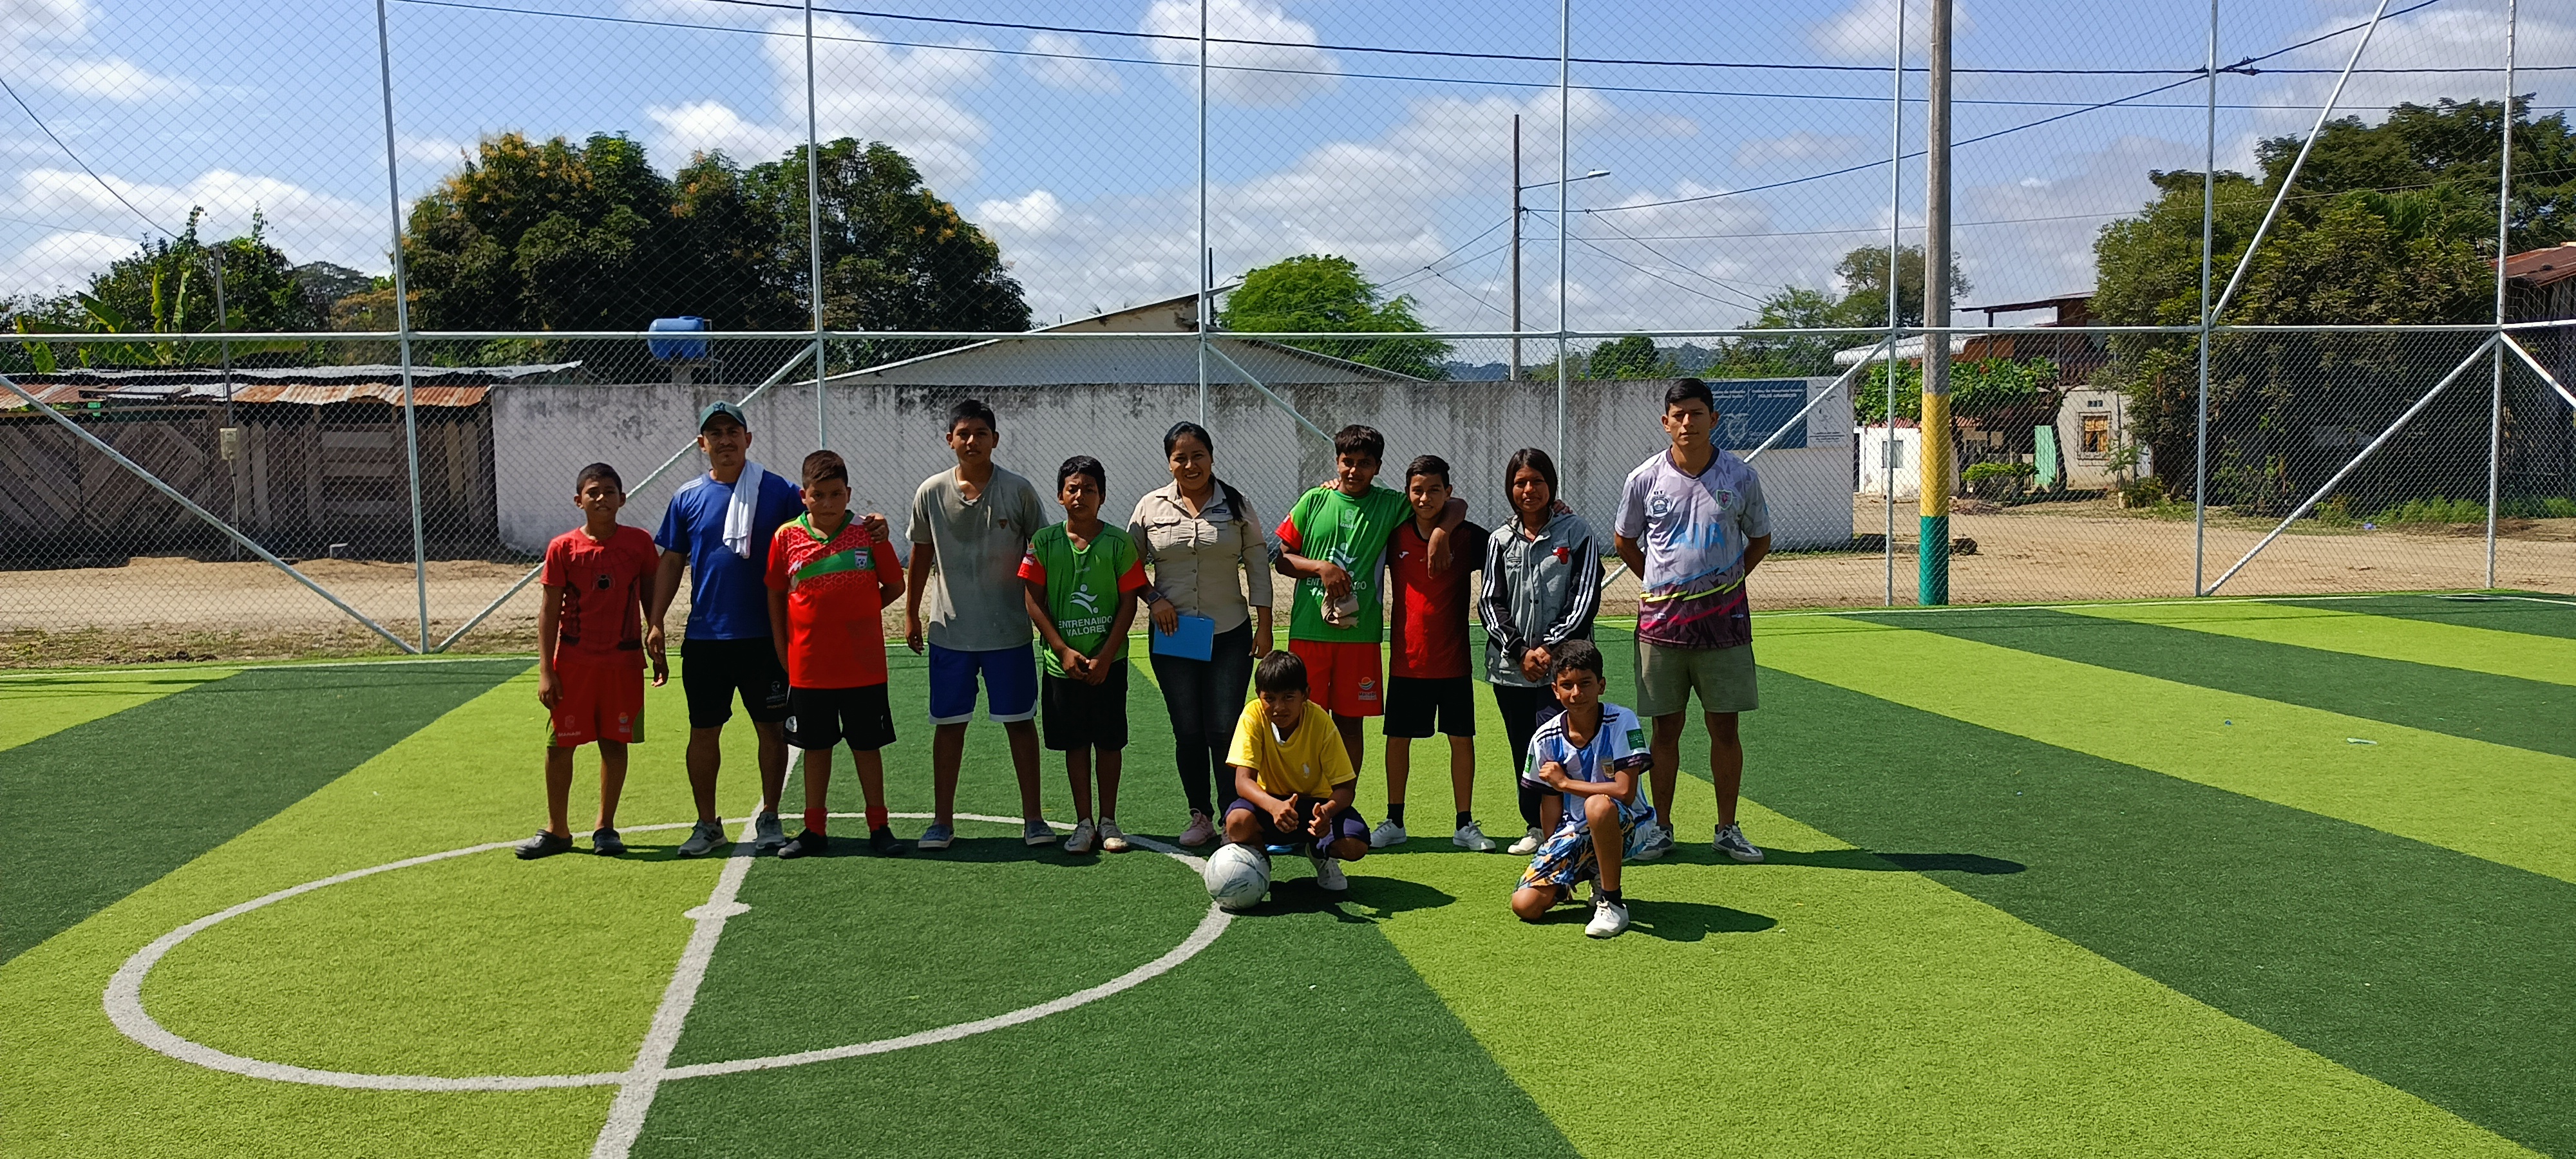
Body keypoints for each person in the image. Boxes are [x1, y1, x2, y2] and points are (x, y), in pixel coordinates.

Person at [1614, 378, 1772, 863]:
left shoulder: (1740, 477)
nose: (1687, 423)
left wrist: (1725, 585)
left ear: (1713, 419)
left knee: (1725, 729)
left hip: (1725, 626)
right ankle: (1661, 829)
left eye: (1696, 413)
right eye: (1678, 415)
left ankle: (1727, 829)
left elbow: (1760, 539)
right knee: (1665, 731)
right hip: (1661, 628)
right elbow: (1624, 541)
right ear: (1666, 422)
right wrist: (1661, 586)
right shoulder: (1644, 478)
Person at [648, 402, 804, 857]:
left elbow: (819, 520)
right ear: (702, 444)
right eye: (715, 433)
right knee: (703, 732)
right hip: (706, 640)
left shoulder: (777, 490)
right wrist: (655, 621)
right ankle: (707, 823)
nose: (725, 440)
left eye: (732, 432)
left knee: (771, 731)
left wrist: (868, 525)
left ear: (747, 439)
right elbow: (672, 560)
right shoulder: (687, 497)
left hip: (765, 637)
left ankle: (771, 816)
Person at [1274, 424, 1463, 777]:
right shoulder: (1314, 500)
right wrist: (1321, 568)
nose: (1354, 471)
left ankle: (1343, 799)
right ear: (1337, 461)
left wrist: (1441, 532)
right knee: (1304, 722)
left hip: (1360, 637)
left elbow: (1453, 504)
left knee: (1350, 726)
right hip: (1309, 631)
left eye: (1364, 463)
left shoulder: (1391, 504)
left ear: (1377, 467)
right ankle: (1304, 794)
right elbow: (1282, 559)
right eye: (1348, 462)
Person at [905, 397, 1052, 851]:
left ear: (995, 440)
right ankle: (942, 822)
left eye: (981, 433)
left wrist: (1046, 618)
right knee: (949, 726)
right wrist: (910, 613)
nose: (972, 441)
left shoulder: (1019, 490)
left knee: (1020, 723)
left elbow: (1041, 552)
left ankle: (1034, 819)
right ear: (949, 440)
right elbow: (921, 555)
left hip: (1009, 633)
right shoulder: (931, 491)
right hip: (951, 633)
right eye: (963, 434)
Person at [1131, 421, 1273, 847]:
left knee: (1225, 729)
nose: (1190, 465)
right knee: (1188, 729)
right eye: (1181, 458)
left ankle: (1234, 816)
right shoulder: (1150, 507)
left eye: (1198, 456)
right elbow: (1128, 564)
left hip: (1229, 633)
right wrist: (1153, 598)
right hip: (1173, 635)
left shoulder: (1237, 504)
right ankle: (1200, 815)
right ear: (1169, 463)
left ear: (1211, 457)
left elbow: (1258, 563)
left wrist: (1265, 624)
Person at [520, 462, 667, 859]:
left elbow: (651, 595)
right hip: (574, 665)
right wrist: (546, 670)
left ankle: (606, 827)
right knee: (559, 746)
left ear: (623, 498)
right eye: (593, 492)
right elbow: (548, 611)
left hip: (623, 664)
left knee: (614, 743)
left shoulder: (639, 543)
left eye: (609, 491)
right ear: (578, 500)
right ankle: (558, 830)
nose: (602, 498)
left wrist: (656, 635)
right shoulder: (562, 548)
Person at [764, 450, 907, 860]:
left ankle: (879, 826)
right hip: (809, 668)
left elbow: (895, 586)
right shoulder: (785, 537)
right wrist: (783, 650)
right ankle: (814, 829)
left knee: (867, 747)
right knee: (815, 748)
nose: (827, 503)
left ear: (849, 493)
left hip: (864, 667)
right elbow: (775, 594)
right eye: (818, 495)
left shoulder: (869, 533)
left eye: (836, 494)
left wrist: (860, 613)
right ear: (804, 496)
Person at [1477, 447, 1604, 856]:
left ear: (1551, 485)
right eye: (1520, 483)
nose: (1529, 490)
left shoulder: (1577, 532)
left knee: (1567, 744)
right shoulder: (1500, 539)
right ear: (1510, 489)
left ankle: (1575, 826)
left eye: (1537, 481)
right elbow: (1489, 601)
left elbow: (1584, 597)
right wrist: (1520, 651)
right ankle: (1535, 826)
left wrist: (1548, 648)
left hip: (1562, 672)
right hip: (1512, 669)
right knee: (1525, 748)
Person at [1021, 455, 1150, 854]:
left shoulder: (1119, 543)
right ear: (1060, 496)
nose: (1080, 496)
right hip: (1063, 668)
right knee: (1075, 744)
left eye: (1089, 489)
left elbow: (1129, 602)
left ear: (1103, 496)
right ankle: (1084, 823)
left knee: (1109, 744)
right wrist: (1062, 650)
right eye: (1072, 489)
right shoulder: (1043, 542)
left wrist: (1107, 656)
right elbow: (1032, 600)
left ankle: (1109, 821)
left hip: (1109, 664)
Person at [1372, 455, 1494, 851]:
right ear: (1407, 493)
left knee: (1461, 739)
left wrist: (1444, 530)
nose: (1425, 498)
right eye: (1418, 490)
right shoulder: (1393, 533)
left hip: (1454, 661)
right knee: (1397, 740)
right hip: (1407, 661)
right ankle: (1394, 820)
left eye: (1435, 490)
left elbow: (1509, 544)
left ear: (1448, 492)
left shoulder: (1468, 536)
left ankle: (1464, 824)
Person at [1507, 640, 1652, 939]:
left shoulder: (1622, 721)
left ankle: (1612, 901)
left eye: (1585, 683)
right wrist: (1554, 854)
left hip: (1628, 824)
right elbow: (1550, 802)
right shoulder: (1545, 738)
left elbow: (1625, 792)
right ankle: (1583, 874)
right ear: (1555, 690)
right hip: (1573, 831)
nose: (1576, 693)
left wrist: (1565, 783)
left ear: (1601, 685)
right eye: (1567, 685)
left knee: (1598, 805)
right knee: (1525, 905)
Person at [1224, 650, 1369, 892]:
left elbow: (1346, 788)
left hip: (1314, 806)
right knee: (1237, 823)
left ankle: (1320, 853)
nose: (1279, 707)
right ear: (1259, 695)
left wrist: (1326, 813)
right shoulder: (1253, 715)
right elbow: (1243, 781)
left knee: (1355, 845)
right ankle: (1259, 861)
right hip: (1269, 804)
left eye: (1289, 697)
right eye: (1270, 698)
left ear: (1306, 695)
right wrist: (1274, 806)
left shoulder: (1320, 721)